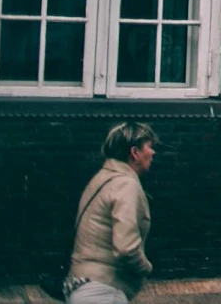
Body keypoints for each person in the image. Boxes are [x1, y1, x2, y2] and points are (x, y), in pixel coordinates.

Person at [66, 123, 155, 304]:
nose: (153, 152)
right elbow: (126, 248)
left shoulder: (102, 179)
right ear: (135, 153)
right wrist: (146, 268)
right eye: (149, 146)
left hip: (82, 285)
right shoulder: (125, 185)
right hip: (103, 291)